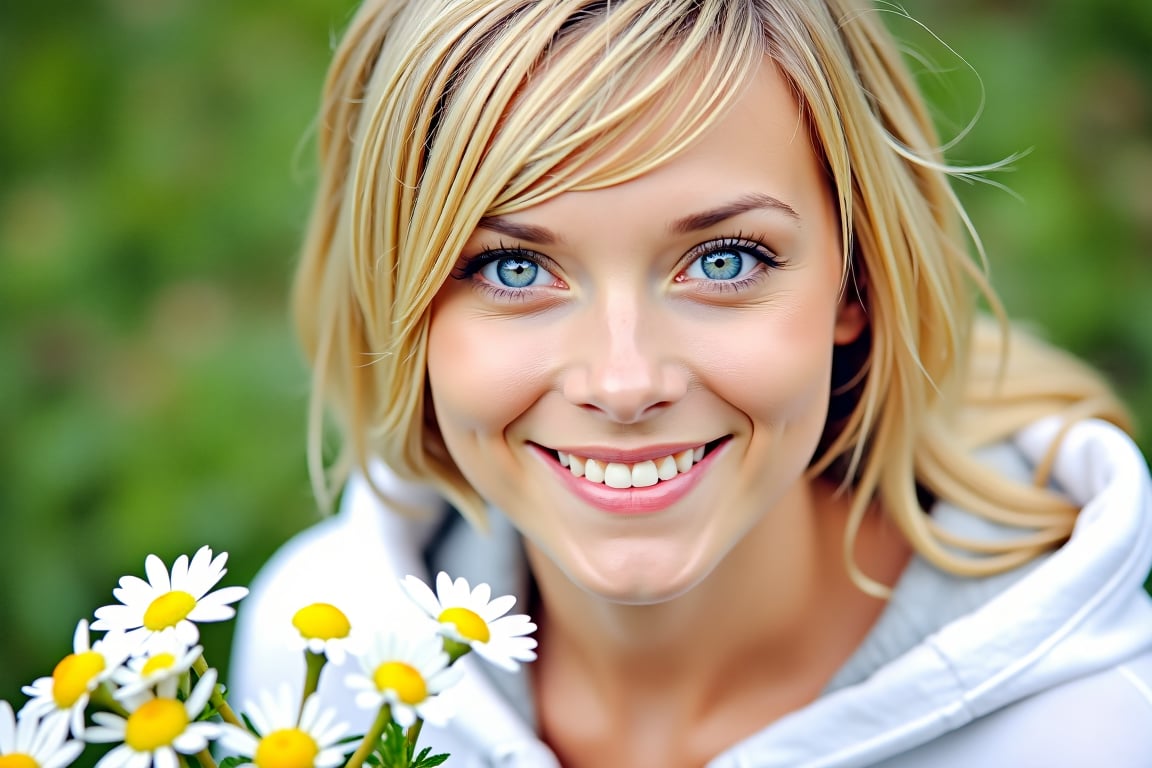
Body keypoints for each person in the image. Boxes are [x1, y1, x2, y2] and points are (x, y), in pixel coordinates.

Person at [231, 1, 1152, 765]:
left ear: (856, 280)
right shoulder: (320, 662)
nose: (624, 382)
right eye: (512, 269)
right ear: (403, 305)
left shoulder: (1097, 730)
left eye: (722, 260)